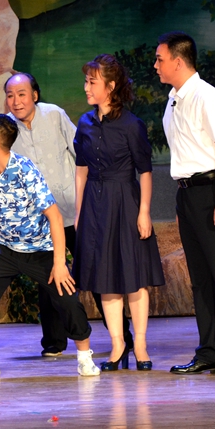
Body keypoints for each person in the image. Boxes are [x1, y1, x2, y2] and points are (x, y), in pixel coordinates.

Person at [0, 114, 100, 380]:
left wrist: (59, 263)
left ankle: (84, 356)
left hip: (40, 250)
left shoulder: (24, 169)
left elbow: (55, 216)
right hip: (5, 248)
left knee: (66, 294)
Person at [154, 31, 215, 377]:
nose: (156, 66)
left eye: (160, 59)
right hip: (188, 194)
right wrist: (185, 201)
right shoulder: (173, 99)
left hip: (212, 191)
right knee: (200, 279)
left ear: (178, 61)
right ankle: (209, 351)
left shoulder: (206, 96)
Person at [73, 55, 163, 371]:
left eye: (92, 82)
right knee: (105, 277)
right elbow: (81, 170)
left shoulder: (131, 124)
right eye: (86, 81)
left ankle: (140, 345)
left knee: (134, 278)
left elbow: (145, 171)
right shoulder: (85, 123)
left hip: (125, 201)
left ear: (110, 86)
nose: (86, 87)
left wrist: (144, 212)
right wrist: (80, 212)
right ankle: (117, 345)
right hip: (95, 204)